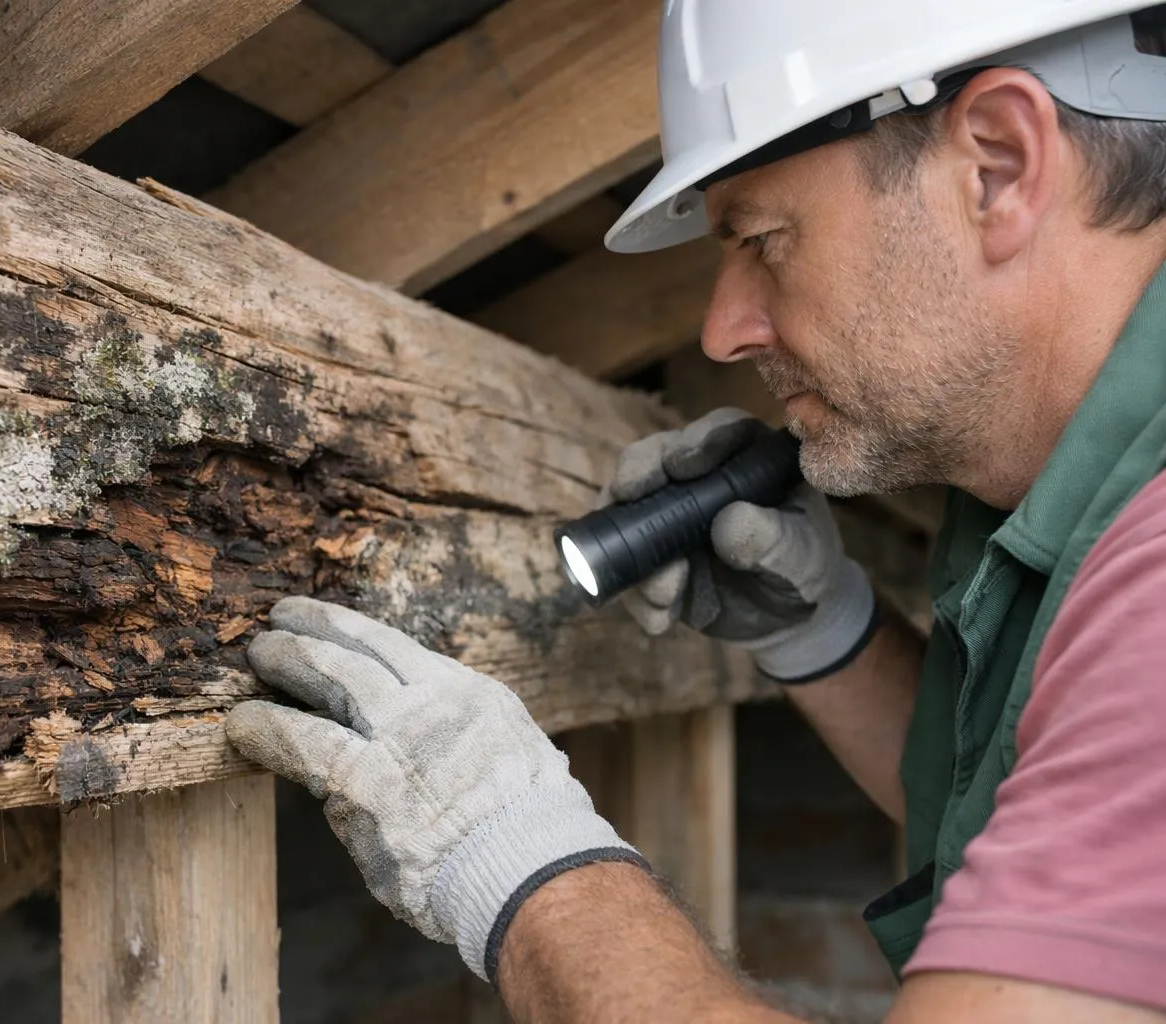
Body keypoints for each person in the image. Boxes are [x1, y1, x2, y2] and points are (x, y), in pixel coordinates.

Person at [226, 2, 1166, 1020]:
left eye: (762, 238)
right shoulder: (1051, 502)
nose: (720, 331)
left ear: (996, 164)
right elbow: (1043, 812)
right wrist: (828, 635)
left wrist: (514, 861)